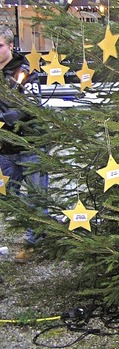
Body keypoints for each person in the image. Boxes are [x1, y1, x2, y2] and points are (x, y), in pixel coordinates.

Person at [0, 27, 48, 261]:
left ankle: (34, 243)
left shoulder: (24, 72)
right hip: (3, 147)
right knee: (7, 194)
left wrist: (17, 113)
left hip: (30, 144)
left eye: (0, 45)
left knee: (36, 197)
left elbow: (35, 103)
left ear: (10, 46)